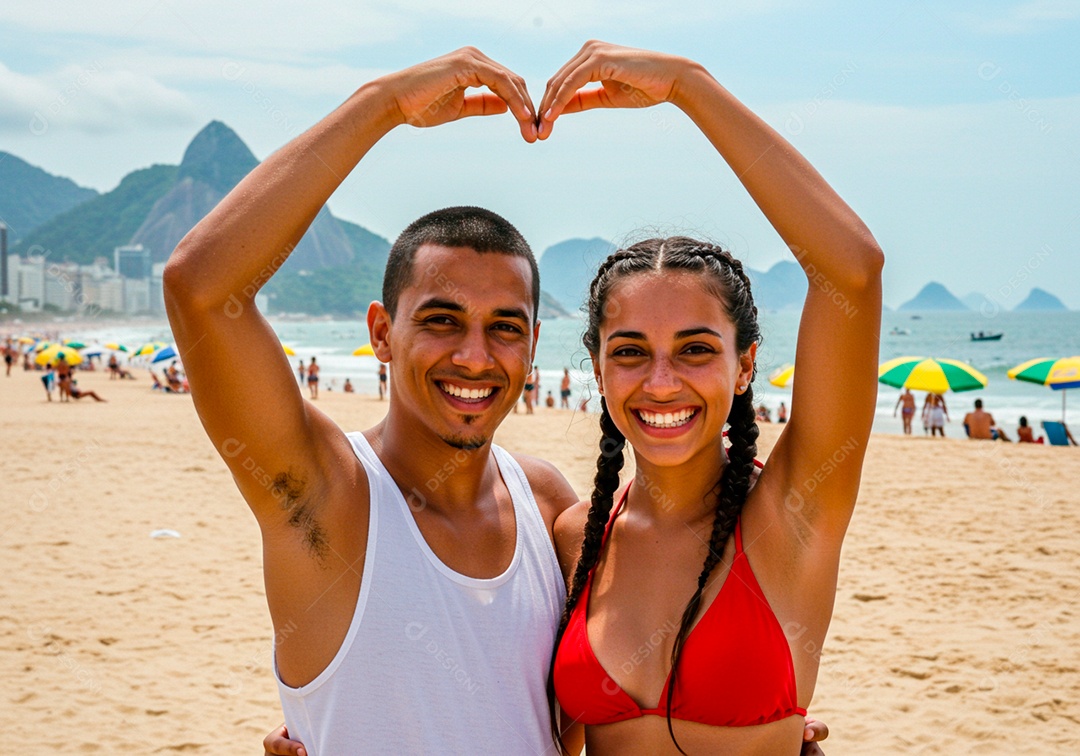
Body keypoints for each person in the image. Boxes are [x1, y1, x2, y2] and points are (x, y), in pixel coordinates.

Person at [161, 48, 829, 755]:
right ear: (382, 333)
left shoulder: (552, 511)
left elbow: (579, 717)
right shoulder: (330, 493)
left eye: (504, 328)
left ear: (534, 345)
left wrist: (768, 724)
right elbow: (202, 289)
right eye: (442, 320)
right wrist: (382, 103)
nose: (475, 357)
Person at [544, 42, 881, 754]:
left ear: (745, 365)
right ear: (599, 373)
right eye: (630, 352)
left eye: (696, 349)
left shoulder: (792, 514)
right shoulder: (578, 536)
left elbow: (850, 272)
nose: (661, 381)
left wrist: (688, 87)